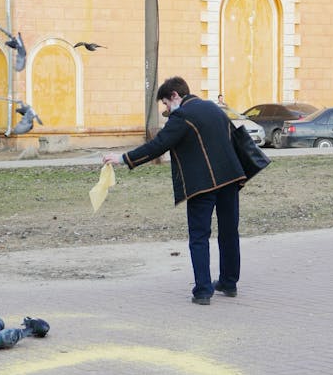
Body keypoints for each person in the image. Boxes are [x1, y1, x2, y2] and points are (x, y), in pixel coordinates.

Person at [102, 76, 246, 304]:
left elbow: (158, 145)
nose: (167, 109)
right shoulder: (213, 107)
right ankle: (229, 283)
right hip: (231, 179)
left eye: (166, 104)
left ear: (175, 96)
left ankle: (203, 291)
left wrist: (122, 158)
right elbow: (234, 137)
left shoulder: (182, 115)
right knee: (229, 232)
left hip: (202, 185)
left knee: (199, 236)